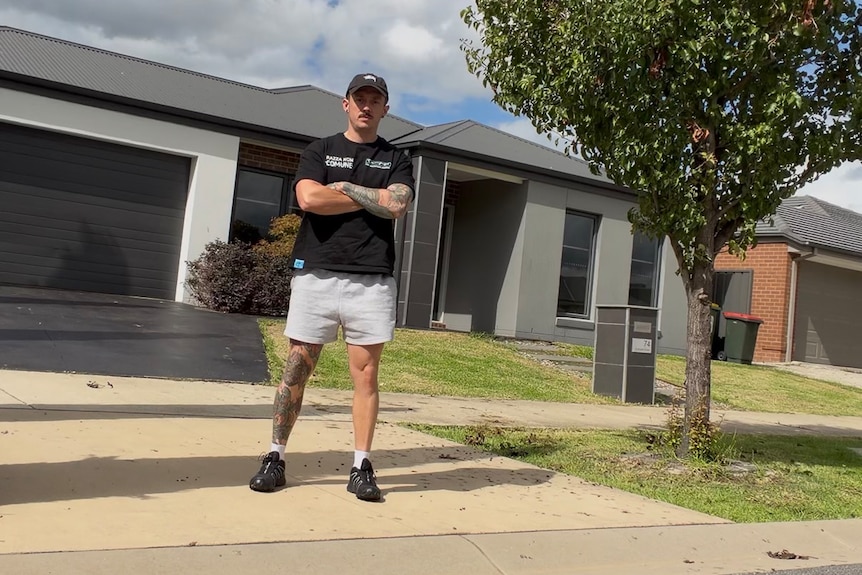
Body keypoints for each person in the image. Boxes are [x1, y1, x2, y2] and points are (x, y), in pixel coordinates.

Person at [248, 73, 415, 501]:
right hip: (317, 275)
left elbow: (396, 205)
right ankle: (275, 457)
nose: (366, 106)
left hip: (371, 281)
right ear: (346, 104)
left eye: (374, 100)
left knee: (367, 376)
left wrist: (341, 188)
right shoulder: (319, 149)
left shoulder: (396, 157)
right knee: (296, 369)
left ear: (385, 108)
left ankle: (361, 466)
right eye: (359, 98)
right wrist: (368, 197)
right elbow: (309, 200)